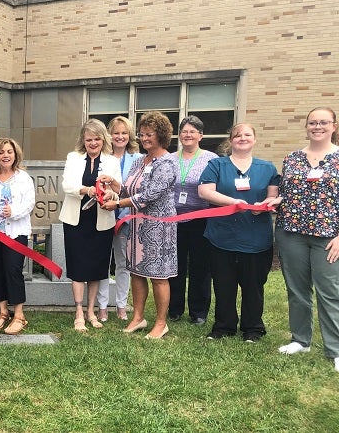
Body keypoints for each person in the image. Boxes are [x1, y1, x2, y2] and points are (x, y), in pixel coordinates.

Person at [197, 123, 279, 343]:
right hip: (221, 237)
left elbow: (273, 196)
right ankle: (224, 326)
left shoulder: (267, 168)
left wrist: (265, 204)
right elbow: (204, 191)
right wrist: (233, 202)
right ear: (231, 140)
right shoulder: (216, 165)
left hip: (256, 238)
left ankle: (253, 328)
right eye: (237, 135)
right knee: (223, 284)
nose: (242, 138)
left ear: (254, 139)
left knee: (254, 286)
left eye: (247, 135)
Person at [102, 111, 177, 339]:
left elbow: (149, 195)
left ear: (161, 135)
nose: (144, 138)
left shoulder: (167, 163)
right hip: (136, 227)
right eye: (142, 134)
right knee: (136, 273)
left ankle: (161, 323)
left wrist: (117, 204)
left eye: (149, 134)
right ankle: (138, 318)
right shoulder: (139, 161)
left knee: (158, 276)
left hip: (158, 228)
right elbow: (128, 190)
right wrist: (113, 184)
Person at [275, 107, 339, 371]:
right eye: (313, 122)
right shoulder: (292, 158)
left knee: (330, 292)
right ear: (306, 126)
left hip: (328, 236)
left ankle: (335, 349)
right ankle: (301, 340)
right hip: (291, 233)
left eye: (323, 122)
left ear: (334, 126)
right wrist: (272, 202)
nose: (317, 126)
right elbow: (285, 193)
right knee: (297, 289)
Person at [59, 119, 122, 332]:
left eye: (97, 139)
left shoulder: (112, 161)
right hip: (76, 220)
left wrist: (110, 194)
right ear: (83, 140)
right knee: (77, 267)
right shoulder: (73, 158)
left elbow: (118, 190)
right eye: (88, 140)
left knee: (96, 268)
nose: (93, 143)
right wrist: (87, 190)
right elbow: (67, 185)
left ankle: (91, 311)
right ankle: (78, 311)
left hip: (101, 221)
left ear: (103, 139)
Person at [0, 138, 35, 334]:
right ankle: (3, 312)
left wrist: (14, 211)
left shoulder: (24, 178)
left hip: (15, 233)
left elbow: (29, 203)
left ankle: (19, 315)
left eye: (9, 151)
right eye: (1, 152)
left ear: (15, 154)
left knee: (13, 270)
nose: (5, 155)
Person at [168, 116, 218, 325]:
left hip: (201, 219)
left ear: (200, 135)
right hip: (173, 220)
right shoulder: (169, 159)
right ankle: (174, 309)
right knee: (175, 266)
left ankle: (198, 312)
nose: (187, 135)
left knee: (201, 266)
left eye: (192, 131)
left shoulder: (211, 159)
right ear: (179, 135)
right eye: (184, 131)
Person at [95, 116, 143, 322]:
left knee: (123, 264)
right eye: (116, 133)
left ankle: (122, 305)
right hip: (103, 216)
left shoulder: (138, 159)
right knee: (102, 263)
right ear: (109, 135)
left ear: (130, 135)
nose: (120, 136)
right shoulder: (102, 158)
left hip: (126, 219)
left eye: (124, 133)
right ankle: (102, 306)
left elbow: (138, 189)